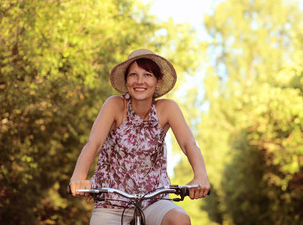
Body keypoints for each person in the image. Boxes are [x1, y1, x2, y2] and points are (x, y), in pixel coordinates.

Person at [69, 48, 210, 225]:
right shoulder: (115, 105)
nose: (139, 81)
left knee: (180, 219)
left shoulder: (167, 109)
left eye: (147, 75)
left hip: (154, 199)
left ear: (158, 80)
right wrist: (79, 177)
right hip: (112, 201)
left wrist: (201, 175)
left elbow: (188, 143)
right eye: (133, 75)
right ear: (126, 80)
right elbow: (94, 143)